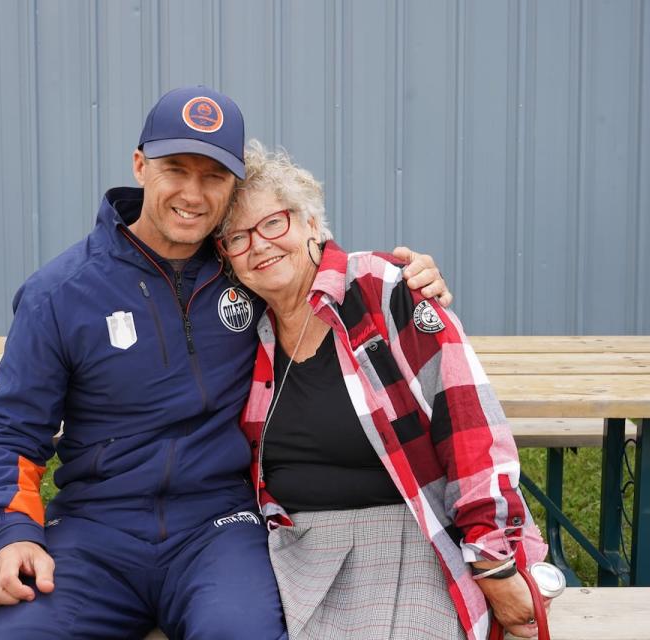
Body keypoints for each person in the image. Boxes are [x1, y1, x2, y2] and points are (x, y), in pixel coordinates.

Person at [0, 86, 451, 639]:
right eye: (176, 169)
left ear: (232, 186)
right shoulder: (60, 292)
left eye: (214, 177)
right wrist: (14, 535)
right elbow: (11, 431)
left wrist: (403, 276)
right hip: (95, 530)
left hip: (219, 526)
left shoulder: (246, 267)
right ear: (140, 166)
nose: (193, 194)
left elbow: (322, 268)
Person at [219, 140, 548, 640]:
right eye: (237, 238)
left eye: (273, 223)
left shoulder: (385, 289)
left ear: (311, 223)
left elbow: (469, 426)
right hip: (297, 550)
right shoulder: (241, 327)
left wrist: (493, 561)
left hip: (409, 535)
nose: (259, 245)